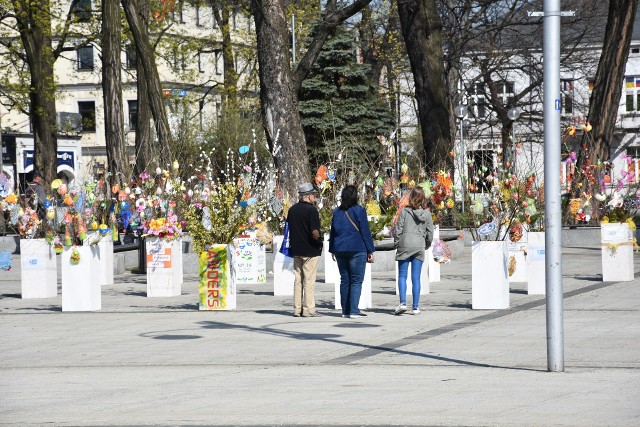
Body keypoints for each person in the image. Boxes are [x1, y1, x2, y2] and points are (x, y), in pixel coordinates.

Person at [329, 185, 375, 319]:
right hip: (357, 248)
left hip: (340, 249)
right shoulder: (359, 210)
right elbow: (365, 231)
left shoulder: (337, 212)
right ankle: (354, 310)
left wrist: (332, 248)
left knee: (345, 280)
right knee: (356, 280)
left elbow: (333, 232)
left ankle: (345, 310)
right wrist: (370, 250)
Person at [394, 186, 434, 315]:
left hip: (405, 244)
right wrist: (425, 244)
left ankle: (403, 303)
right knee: (416, 277)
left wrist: (397, 243)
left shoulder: (404, 211)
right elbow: (430, 233)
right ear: (423, 198)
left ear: (411, 197)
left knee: (402, 275)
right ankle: (415, 307)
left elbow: (398, 229)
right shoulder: (427, 214)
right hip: (419, 246)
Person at [287, 182, 323, 317]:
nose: (314, 197)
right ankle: (308, 309)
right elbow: (314, 231)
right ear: (308, 196)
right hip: (310, 250)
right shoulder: (312, 210)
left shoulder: (292, 209)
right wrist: (319, 241)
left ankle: (297, 309)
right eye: (313, 194)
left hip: (296, 249)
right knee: (309, 280)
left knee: (298, 280)